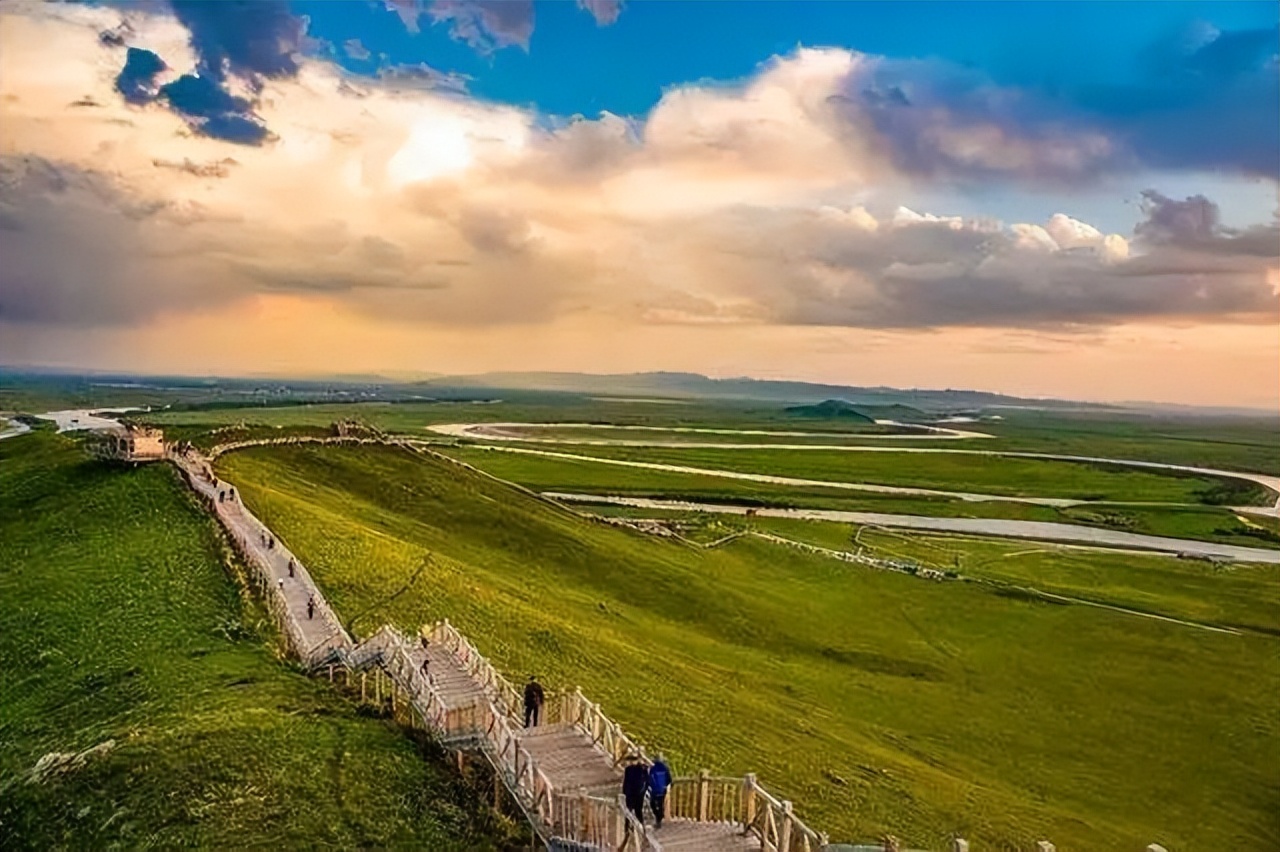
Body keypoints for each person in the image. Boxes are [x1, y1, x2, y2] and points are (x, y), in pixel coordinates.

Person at [621, 753, 649, 827]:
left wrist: (644, 790)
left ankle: (640, 828)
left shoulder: (642, 769)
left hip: (638, 793)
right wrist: (624, 792)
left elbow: (646, 780)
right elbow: (626, 782)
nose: (632, 762)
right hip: (631, 793)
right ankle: (628, 829)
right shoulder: (629, 769)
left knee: (637, 811)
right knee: (629, 812)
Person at [648, 753, 672, 828]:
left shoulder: (653, 768)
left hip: (655, 789)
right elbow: (669, 779)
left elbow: (649, 778)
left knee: (653, 804)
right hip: (661, 789)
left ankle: (658, 818)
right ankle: (659, 818)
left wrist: (649, 786)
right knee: (659, 804)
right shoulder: (664, 768)